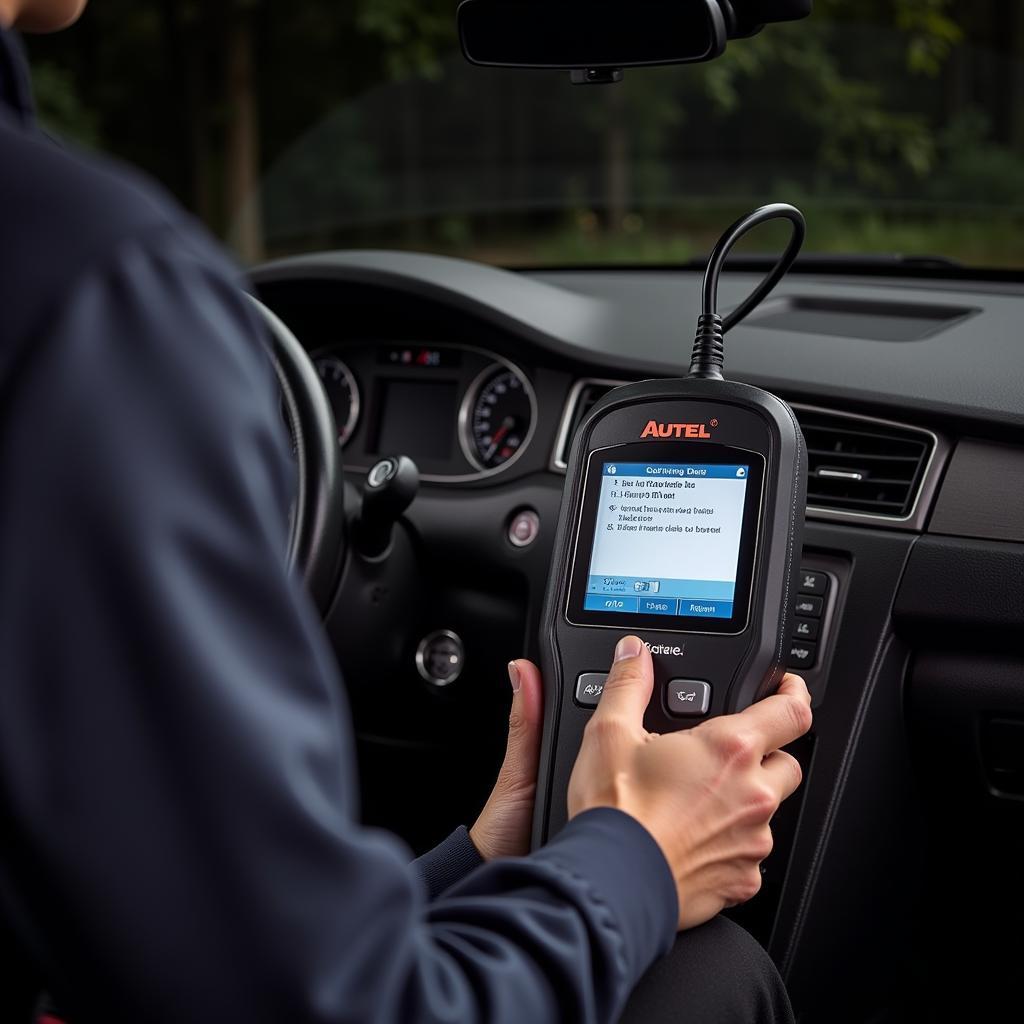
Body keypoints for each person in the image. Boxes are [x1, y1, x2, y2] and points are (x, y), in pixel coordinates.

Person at [0, 2, 813, 1022]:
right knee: (710, 970)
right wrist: (638, 859)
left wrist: (483, 855)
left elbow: (197, 937)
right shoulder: (99, 291)